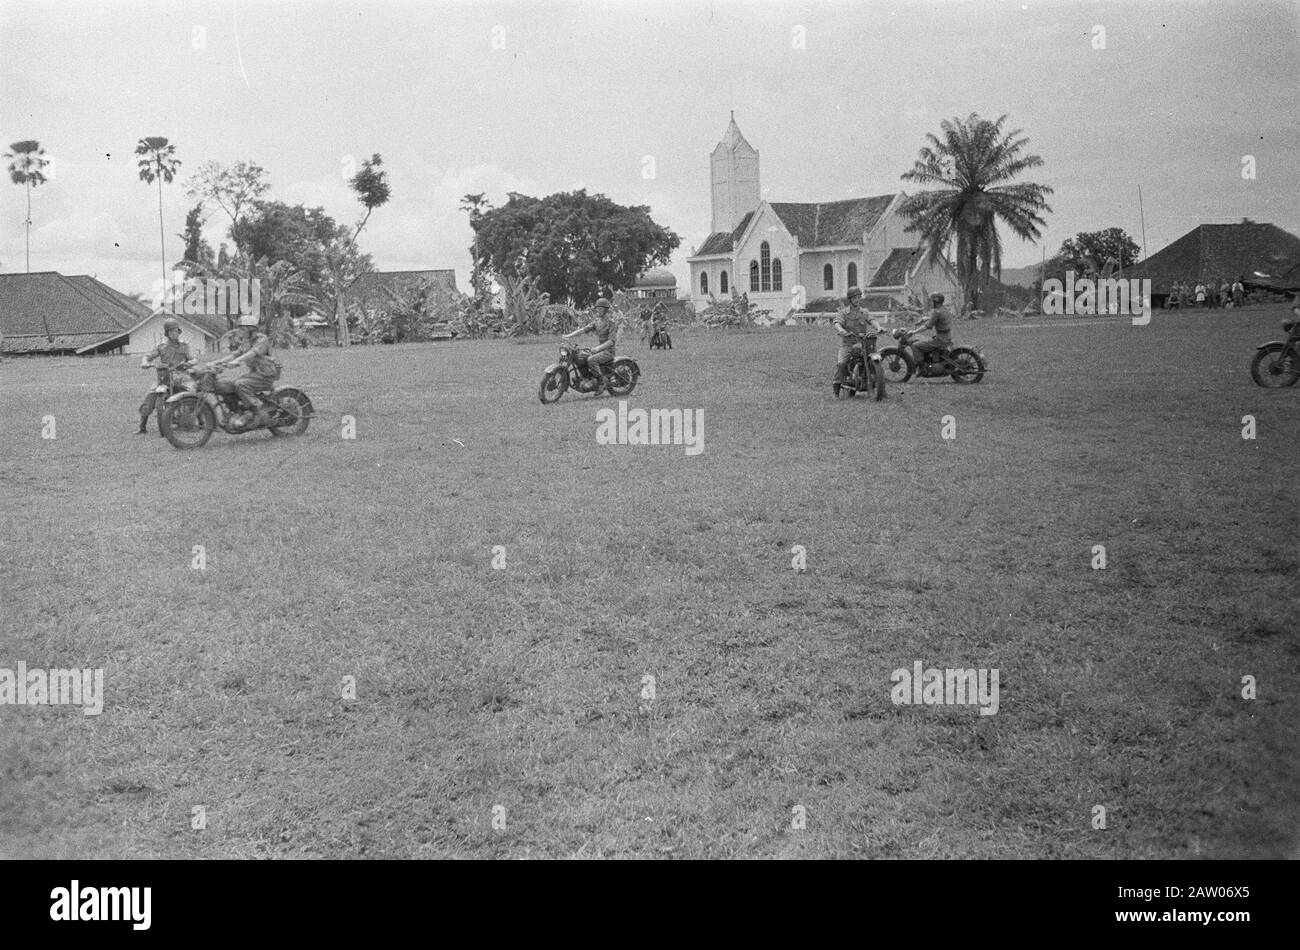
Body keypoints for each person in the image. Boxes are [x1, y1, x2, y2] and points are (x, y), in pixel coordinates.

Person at [214, 313, 279, 426]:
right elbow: (235, 354)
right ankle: (240, 410)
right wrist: (218, 362)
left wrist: (237, 361)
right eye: (240, 328)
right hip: (255, 374)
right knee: (231, 384)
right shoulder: (246, 341)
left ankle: (256, 411)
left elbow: (252, 353)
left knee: (241, 384)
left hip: (266, 375)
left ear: (251, 330)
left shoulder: (262, 339)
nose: (240, 331)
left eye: (243, 329)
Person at [137, 317, 194, 435]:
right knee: (150, 397)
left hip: (181, 376)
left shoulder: (184, 346)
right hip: (164, 376)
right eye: (171, 331)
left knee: (193, 394)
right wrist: (145, 362)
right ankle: (142, 427)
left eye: (176, 330)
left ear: (179, 331)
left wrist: (189, 363)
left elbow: (193, 359)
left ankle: (202, 421)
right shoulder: (161, 346)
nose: (174, 333)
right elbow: (147, 356)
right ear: (167, 333)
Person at [832, 286, 885, 396]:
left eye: (859, 297)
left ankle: (880, 387)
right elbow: (837, 323)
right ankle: (836, 388)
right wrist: (841, 330)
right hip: (848, 344)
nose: (857, 300)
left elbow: (872, 320)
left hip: (863, 344)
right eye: (855, 298)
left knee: (875, 358)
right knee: (842, 363)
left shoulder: (864, 312)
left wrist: (879, 327)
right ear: (850, 299)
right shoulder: (843, 313)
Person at [564, 298, 618, 394]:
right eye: (597, 308)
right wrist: (569, 336)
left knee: (591, 359)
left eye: (600, 309)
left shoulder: (611, 323)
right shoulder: (597, 321)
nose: (598, 310)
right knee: (580, 356)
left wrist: (598, 348)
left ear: (606, 310)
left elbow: (611, 341)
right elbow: (583, 329)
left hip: (608, 351)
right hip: (600, 350)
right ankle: (587, 378)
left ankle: (601, 383)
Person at [910, 292, 954, 366]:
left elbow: (927, 326)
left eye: (931, 301)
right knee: (923, 341)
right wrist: (925, 319)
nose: (930, 303)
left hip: (940, 339)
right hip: (948, 337)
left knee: (915, 346)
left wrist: (914, 332)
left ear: (935, 301)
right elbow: (939, 318)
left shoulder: (936, 312)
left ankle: (922, 368)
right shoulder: (945, 309)